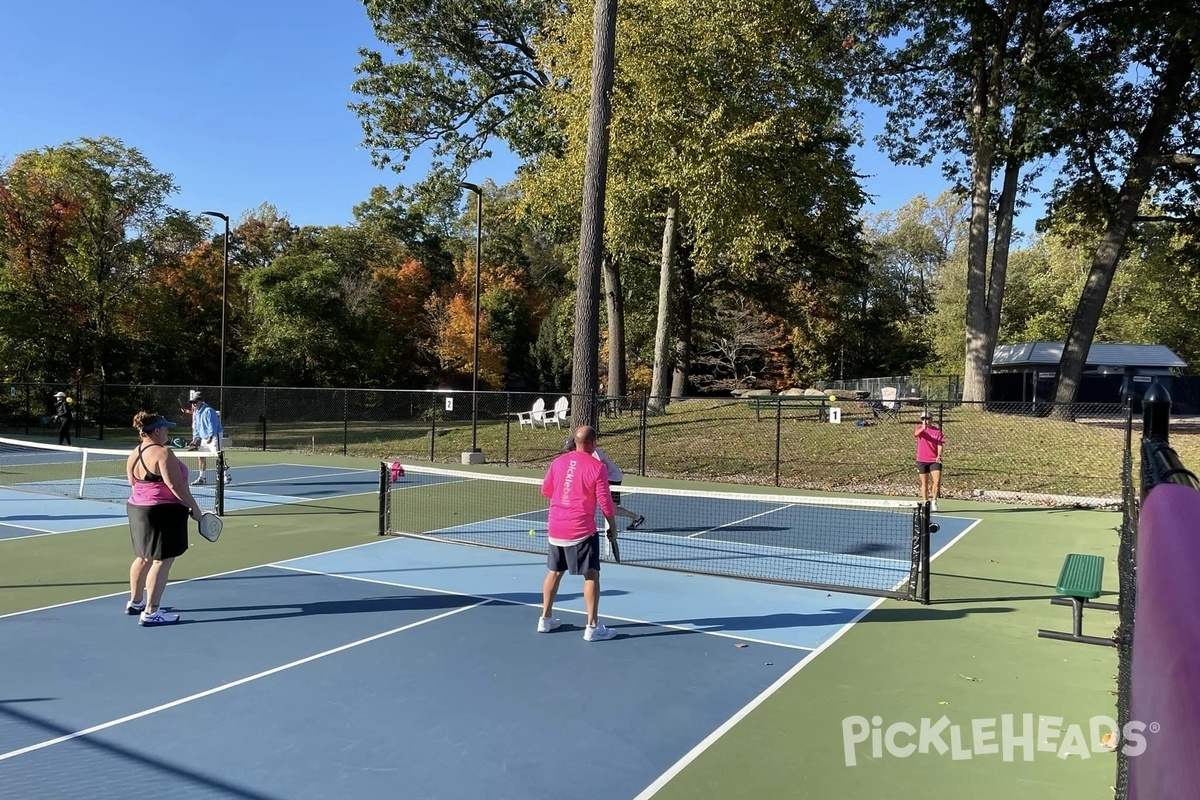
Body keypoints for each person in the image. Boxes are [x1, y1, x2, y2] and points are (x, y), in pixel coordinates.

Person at [125, 412, 204, 626]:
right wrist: (195, 509)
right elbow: (176, 486)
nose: (168, 431)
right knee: (162, 560)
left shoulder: (135, 453)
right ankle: (151, 613)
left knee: (143, 557)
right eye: (166, 428)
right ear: (157, 431)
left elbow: (133, 482)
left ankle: (135, 602)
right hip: (163, 512)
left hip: (137, 509)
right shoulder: (163, 454)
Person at [539, 425, 618, 641]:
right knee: (591, 574)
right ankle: (592, 627)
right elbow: (605, 502)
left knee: (554, 572)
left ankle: (545, 619)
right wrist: (613, 525)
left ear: (575, 441)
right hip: (581, 531)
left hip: (555, 528)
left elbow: (546, 490)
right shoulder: (597, 467)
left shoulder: (557, 462)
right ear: (593, 444)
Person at [187, 390, 230, 485]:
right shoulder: (197, 412)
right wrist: (195, 439)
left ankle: (226, 475)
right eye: (192, 402)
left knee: (217, 455)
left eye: (195, 402)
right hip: (204, 437)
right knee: (201, 457)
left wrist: (211, 437)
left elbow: (212, 425)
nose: (193, 404)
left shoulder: (208, 411)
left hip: (215, 435)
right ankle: (202, 477)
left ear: (201, 401)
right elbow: (197, 427)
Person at [913, 410, 945, 512]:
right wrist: (923, 428)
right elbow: (916, 434)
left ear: (931, 420)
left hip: (934, 460)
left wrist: (938, 456)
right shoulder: (919, 429)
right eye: (923, 419)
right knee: (924, 483)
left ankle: (934, 501)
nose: (925, 421)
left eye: (927, 419)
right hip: (922, 460)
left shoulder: (937, 431)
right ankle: (926, 502)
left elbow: (940, 444)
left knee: (937, 481)